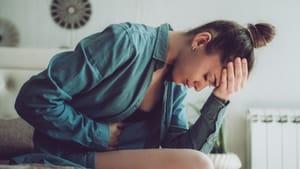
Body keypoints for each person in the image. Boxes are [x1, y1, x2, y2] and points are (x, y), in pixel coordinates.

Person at [13, 20, 275, 169]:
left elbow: (181, 152)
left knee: (197, 163)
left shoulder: (176, 85)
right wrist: (97, 133)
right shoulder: (125, 43)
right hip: (70, 154)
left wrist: (219, 99)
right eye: (208, 77)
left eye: (209, 85)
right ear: (200, 41)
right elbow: (35, 97)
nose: (199, 86)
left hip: (120, 161)